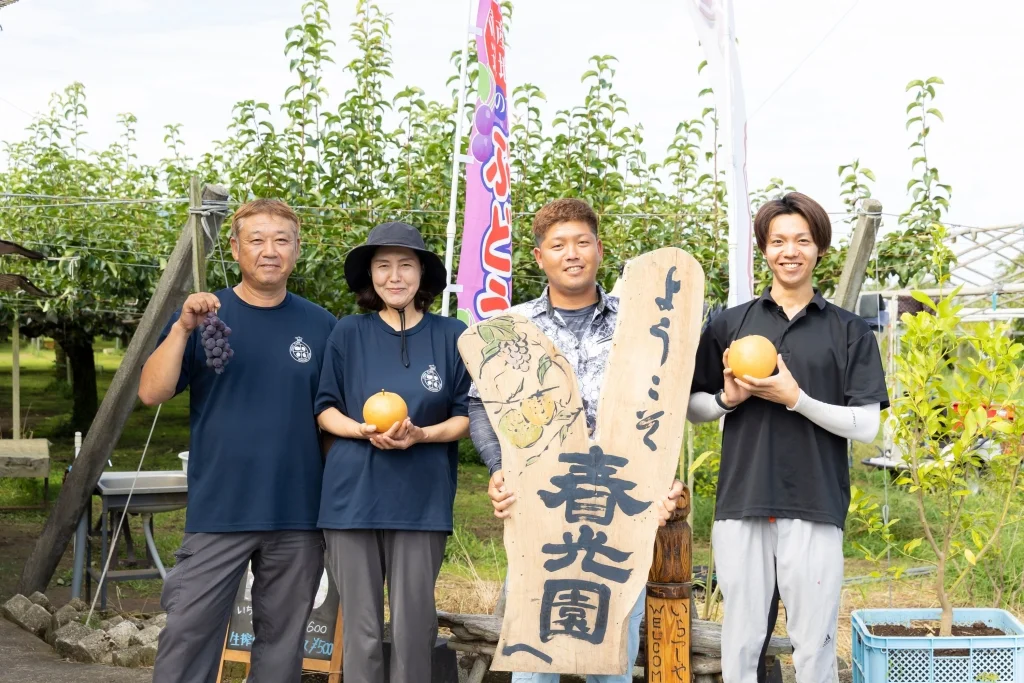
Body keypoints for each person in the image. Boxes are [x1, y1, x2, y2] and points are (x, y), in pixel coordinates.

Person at [469, 198, 685, 683]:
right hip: (542, 504)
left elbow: (666, 405)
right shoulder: (513, 328)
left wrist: (660, 478)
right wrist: (498, 469)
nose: (572, 253)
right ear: (538, 256)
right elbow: (481, 406)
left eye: (582, 242)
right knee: (536, 650)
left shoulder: (643, 323)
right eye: (558, 244)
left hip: (618, 504)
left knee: (613, 655)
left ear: (599, 250)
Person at [687, 192, 889, 683]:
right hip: (743, 501)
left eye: (802, 239)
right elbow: (693, 407)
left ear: (820, 247)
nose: (790, 250)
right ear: (764, 248)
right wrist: (728, 400)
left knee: (814, 644)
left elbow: (867, 425)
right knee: (740, 641)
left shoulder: (848, 331)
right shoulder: (729, 324)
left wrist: (796, 398)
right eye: (778, 240)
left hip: (816, 503)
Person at [139, 199, 337, 683]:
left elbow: (334, 418)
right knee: (188, 635)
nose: (269, 251)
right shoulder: (206, 317)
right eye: (256, 239)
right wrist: (183, 327)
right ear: (234, 248)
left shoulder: (323, 325)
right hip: (220, 510)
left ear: (296, 248)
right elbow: (151, 391)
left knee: (281, 648)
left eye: (281, 240)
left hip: (298, 514)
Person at [314, 221, 471, 683]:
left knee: (414, 628)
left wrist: (421, 435)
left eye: (406, 265)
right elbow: (325, 408)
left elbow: (465, 415)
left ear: (423, 274)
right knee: (360, 631)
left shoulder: (451, 335)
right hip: (351, 499)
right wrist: (361, 431)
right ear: (371, 276)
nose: (395, 276)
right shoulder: (348, 332)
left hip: (420, 500)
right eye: (383, 266)